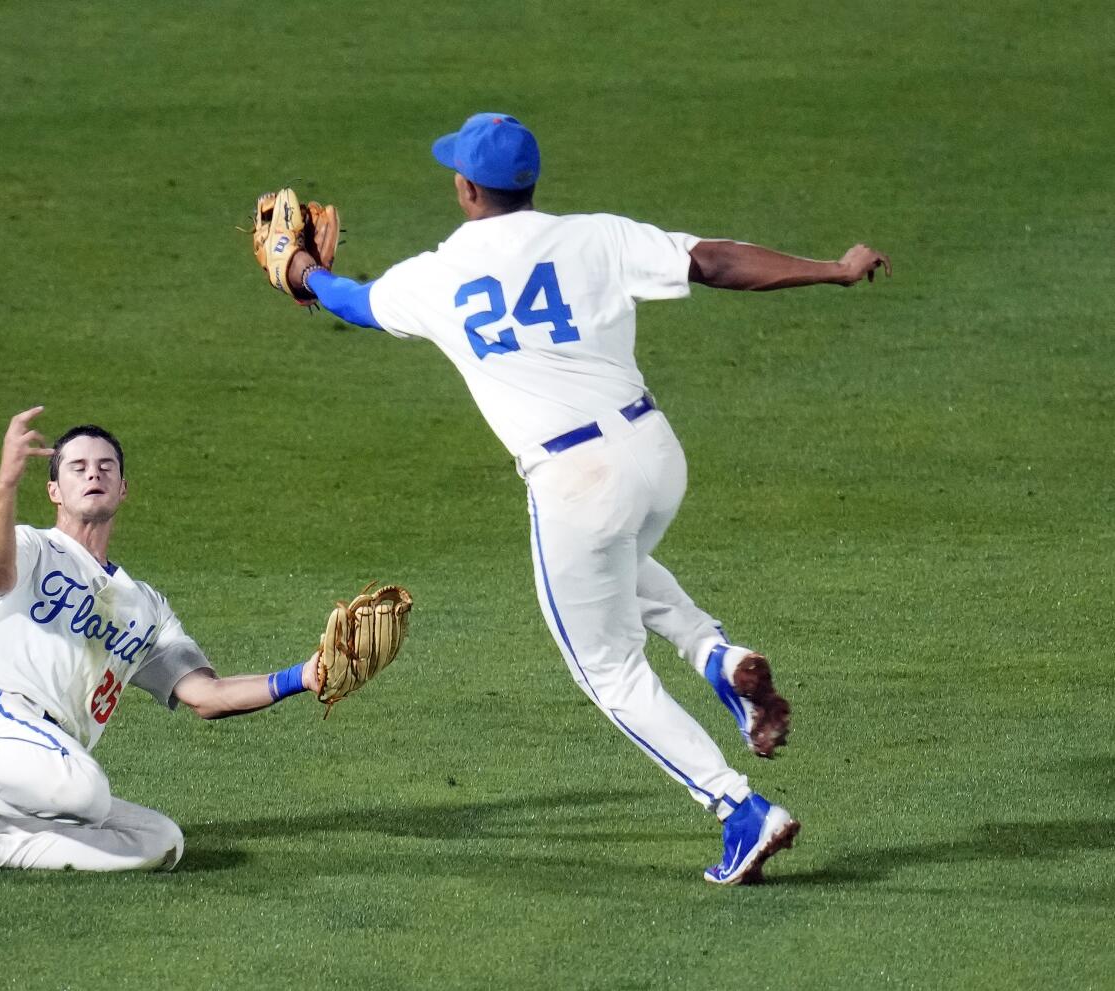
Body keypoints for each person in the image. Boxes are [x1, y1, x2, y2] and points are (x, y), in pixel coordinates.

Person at [272, 113, 891, 884]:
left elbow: (353, 301)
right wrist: (832, 268)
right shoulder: (596, 235)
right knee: (620, 563)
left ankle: (741, 810)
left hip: (574, 481)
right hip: (655, 454)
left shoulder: (435, 275)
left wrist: (299, 271)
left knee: (608, 669)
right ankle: (717, 655)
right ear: (530, 183)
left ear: (466, 188)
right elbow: (715, 261)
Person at [0, 407, 325, 872]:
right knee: (87, 793)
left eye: (105, 467)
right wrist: (5, 483)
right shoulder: (33, 546)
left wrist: (303, 675)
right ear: (54, 489)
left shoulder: (147, 606)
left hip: (33, 776)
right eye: (77, 467)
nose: (93, 474)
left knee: (162, 842)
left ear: (123, 488)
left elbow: (208, 696)